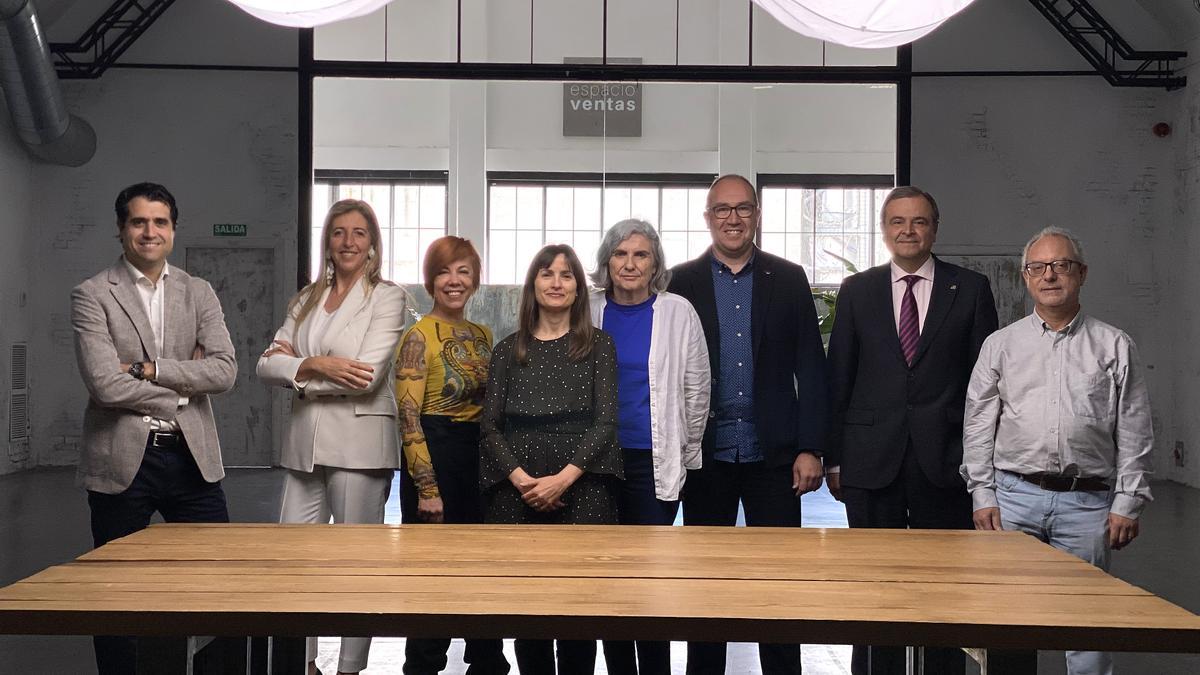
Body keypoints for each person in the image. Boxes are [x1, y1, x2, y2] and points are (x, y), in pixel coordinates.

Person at [962, 226, 1153, 675]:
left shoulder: (1114, 345)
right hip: (1013, 500)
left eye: (1061, 265)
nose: (1050, 275)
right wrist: (982, 493)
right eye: (1038, 267)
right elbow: (978, 423)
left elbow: (1135, 428)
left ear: (1081, 274)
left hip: (1087, 504)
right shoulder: (1001, 345)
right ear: (1026, 277)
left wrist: (1128, 501)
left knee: (1088, 623)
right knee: (1008, 622)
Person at [825, 186, 998, 674]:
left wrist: (975, 458)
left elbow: (983, 385)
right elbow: (840, 374)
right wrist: (834, 456)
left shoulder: (969, 288)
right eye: (897, 221)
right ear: (884, 230)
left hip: (944, 459)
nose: (907, 230)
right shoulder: (858, 289)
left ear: (935, 228)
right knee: (872, 584)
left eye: (918, 221)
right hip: (868, 458)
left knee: (945, 584)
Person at [71, 181, 237, 674]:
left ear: (173, 230)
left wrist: (146, 369)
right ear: (121, 229)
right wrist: (185, 386)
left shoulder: (198, 291)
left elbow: (225, 371)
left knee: (218, 586)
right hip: (121, 461)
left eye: (159, 222)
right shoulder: (92, 294)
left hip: (193, 458)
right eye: (139, 222)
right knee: (114, 590)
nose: (150, 231)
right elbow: (104, 385)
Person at [666, 174, 827, 675]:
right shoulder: (681, 280)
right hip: (706, 454)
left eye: (743, 209)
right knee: (706, 585)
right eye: (722, 210)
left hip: (775, 456)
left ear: (757, 215)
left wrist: (811, 448)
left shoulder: (789, 276)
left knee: (780, 586)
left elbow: (811, 367)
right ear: (708, 217)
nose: (733, 219)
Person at [256, 199, 407, 675]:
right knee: (292, 559)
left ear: (373, 244)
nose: (348, 242)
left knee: (355, 562)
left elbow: (364, 376)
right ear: (328, 241)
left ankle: (349, 666)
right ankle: (302, 662)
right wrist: (317, 365)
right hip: (305, 443)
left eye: (359, 233)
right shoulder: (305, 300)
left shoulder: (387, 297)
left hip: (360, 444)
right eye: (339, 232)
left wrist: (294, 369)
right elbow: (263, 364)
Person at [480, 244, 621, 674]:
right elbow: (489, 427)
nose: (556, 283)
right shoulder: (507, 350)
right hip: (516, 490)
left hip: (584, 484)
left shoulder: (599, 345)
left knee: (579, 608)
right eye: (546, 274)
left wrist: (562, 480)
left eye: (566, 275)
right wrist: (523, 481)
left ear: (579, 288)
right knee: (528, 609)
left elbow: (606, 422)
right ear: (533, 285)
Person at [588, 219, 711, 675]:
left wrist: (688, 450)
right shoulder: (589, 310)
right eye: (620, 254)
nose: (629, 264)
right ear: (607, 262)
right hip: (596, 466)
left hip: (653, 463)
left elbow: (698, 388)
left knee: (651, 580)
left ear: (655, 262)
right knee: (609, 581)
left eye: (640, 254)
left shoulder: (678, 311)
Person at [395, 236, 509, 675]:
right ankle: (423, 667)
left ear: (475, 280)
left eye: (463, 271)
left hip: (478, 460)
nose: (454, 280)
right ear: (431, 280)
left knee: (482, 573)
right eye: (444, 271)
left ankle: (486, 663)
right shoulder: (417, 336)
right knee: (431, 580)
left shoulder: (483, 334)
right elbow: (408, 419)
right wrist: (427, 488)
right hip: (436, 456)